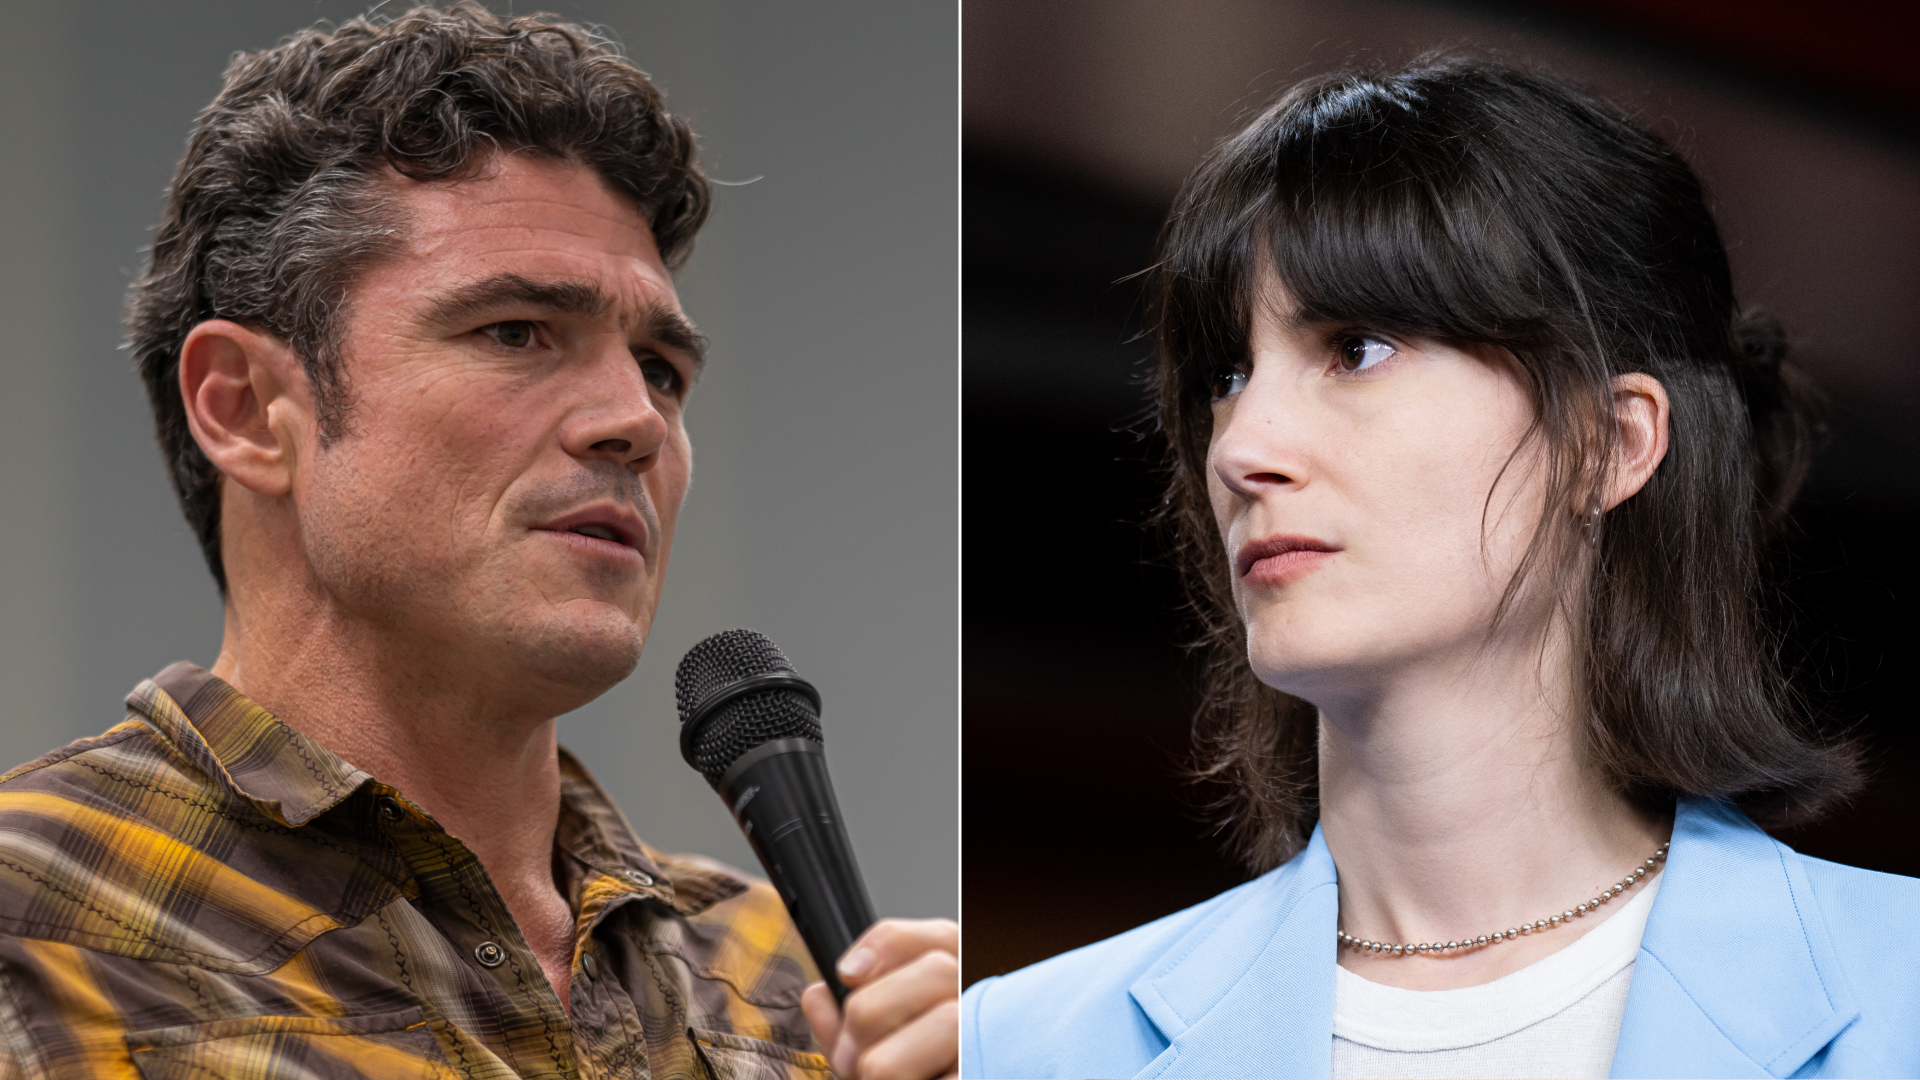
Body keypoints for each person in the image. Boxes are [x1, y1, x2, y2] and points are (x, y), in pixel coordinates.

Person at [0, 7, 956, 1079]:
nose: (636, 420)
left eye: (661, 369)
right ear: (246, 407)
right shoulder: (29, 920)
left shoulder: (799, 984)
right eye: (515, 333)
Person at [961, 55, 1920, 1079]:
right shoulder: (1018, 1046)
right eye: (1225, 377)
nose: (1242, 449)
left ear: (1609, 443)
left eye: (1358, 347)